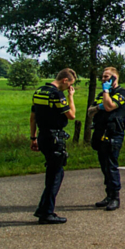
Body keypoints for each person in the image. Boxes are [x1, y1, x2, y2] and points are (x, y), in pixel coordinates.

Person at [30, 68, 77, 224]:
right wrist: (71, 97)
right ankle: (46, 212)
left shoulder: (39, 92)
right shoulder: (57, 94)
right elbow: (71, 115)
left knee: (53, 172)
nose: (69, 87)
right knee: (55, 175)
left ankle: (43, 208)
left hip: (43, 135)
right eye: (70, 84)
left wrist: (33, 137)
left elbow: (33, 117)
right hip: (54, 137)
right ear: (65, 80)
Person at [90, 66, 125, 211]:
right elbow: (90, 111)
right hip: (100, 132)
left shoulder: (122, 93)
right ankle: (108, 195)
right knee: (104, 166)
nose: (103, 79)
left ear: (115, 77)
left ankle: (115, 197)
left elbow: (110, 106)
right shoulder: (101, 94)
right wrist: (101, 104)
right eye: (102, 77)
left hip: (114, 134)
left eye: (106, 77)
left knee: (111, 165)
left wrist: (105, 97)